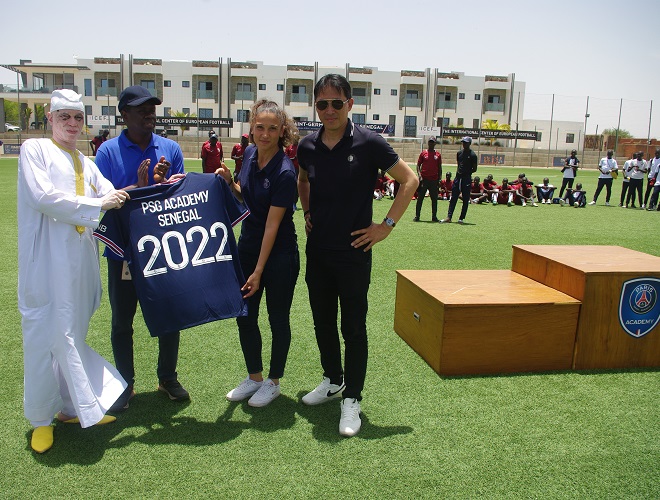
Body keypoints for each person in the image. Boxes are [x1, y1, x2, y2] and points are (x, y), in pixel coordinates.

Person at [297, 74, 418, 437]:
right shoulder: (306, 145)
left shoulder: (369, 142)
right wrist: (306, 212)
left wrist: (386, 226)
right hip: (318, 251)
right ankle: (332, 380)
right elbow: (303, 179)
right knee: (322, 322)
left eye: (337, 103)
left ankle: (353, 399)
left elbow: (410, 181)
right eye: (323, 104)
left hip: (354, 252)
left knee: (352, 327)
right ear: (315, 107)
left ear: (350, 104)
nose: (330, 110)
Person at [18, 89, 129, 453]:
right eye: (64, 116)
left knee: (72, 333)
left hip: (81, 262)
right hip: (46, 263)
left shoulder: (86, 161)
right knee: (45, 339)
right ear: (50, 118)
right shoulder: (35, 150)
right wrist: (99, 202)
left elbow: (111, 194)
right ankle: (39, 419)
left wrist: (138, 193)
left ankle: (70, 408)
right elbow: (44, 197)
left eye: (77, 118)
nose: (71, 123)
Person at [95, 85, 189, 411]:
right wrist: (138, 188)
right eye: (141, 110)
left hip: (162, 248)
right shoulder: (107, 152)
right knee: (123, 320)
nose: (150, 114)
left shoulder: (169, 148)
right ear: (124, 114)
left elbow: (179, 201)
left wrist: (163, 186)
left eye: (152, 108)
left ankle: (167, 377)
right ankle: (125, 384)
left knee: (170, 315)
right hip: (122, 251)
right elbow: (102, 205)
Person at [214, 100, 300, 408]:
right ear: (252, 128)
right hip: (248, 248)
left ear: (282, 132)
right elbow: (245, 197)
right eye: (260, 127)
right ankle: (255, 377)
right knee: (245, 316)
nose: (265, 134)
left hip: (278, 256)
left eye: (272, 129)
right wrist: (230, 182)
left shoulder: (286, 172)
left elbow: (272, 226)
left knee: (277, 318)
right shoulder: (249, 154)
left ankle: (273, 382)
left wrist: (258, 271)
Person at [440, 136, 478, 224]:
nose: (464, 144)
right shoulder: (459, 153)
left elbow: (475, 168)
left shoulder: (473, 155)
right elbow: (459, 165)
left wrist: (467, 173)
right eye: (463, 142)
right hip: (458, 178)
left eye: (466, 143)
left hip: (466, 179)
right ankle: (449, 217)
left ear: (469, 143)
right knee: (453, 198)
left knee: (465, 199)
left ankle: (461, 218)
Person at [413, 137, 441, 221]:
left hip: (433, 180)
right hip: (424, 180)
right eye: (430, 142)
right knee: (420, 198)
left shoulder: (438, 155)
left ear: (435, 143)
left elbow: (439, 168)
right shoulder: (423, 153)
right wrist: (420, 176)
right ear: (428, 143)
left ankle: (434, 216)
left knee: (434, 199)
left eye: (433, 142)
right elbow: (418, 165)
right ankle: (417, 216)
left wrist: (439, 179)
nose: (431, 143)